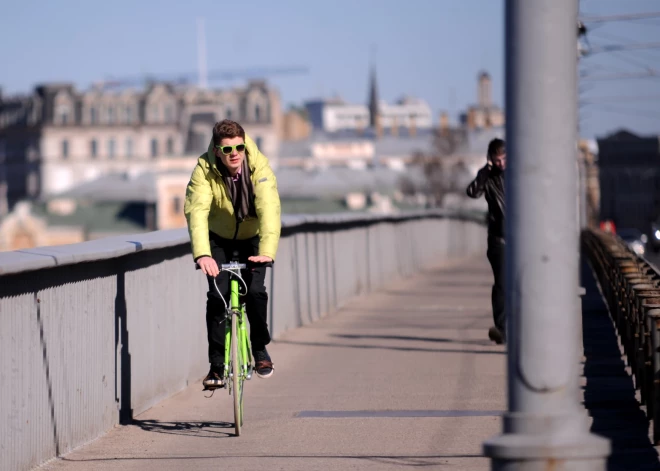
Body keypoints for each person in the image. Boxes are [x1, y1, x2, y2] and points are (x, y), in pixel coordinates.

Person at [184, 119, 281, 389]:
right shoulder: (204, 170)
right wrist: (203, 254)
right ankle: (216, 366)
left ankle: (259, 349)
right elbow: (197, 212)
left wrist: (267, 251)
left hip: (253, 238)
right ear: (217, 151)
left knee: (257, 292)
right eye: (227, 150)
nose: (235, 154)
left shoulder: (258, 165)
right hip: (218, 240)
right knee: (217, 297)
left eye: (239, 147)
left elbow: (269, 209)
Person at [466, 138, 506, 345]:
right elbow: (473, 192)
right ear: (491, 159)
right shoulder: (488, 178)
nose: (501, 164)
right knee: (502, 283)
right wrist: (485, 171)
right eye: (497, 160)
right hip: (499, 239)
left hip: (521, 239)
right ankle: (502, 329)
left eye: (504, 159)